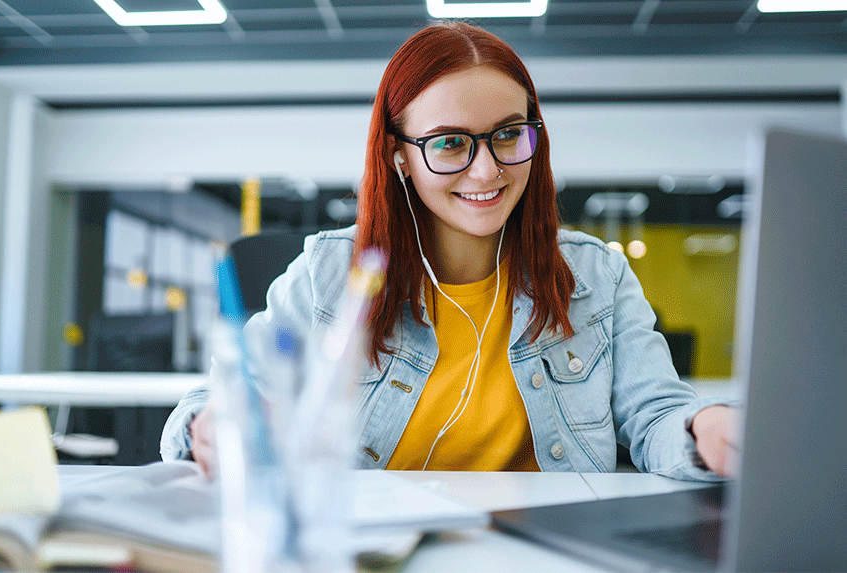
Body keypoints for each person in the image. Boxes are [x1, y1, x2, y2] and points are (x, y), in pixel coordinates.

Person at [161, 21, 737, 480]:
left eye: (510, 134)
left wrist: (705, 425)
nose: (487, 169)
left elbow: (656, 413)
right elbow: (212, 404)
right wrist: (213, 426)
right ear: (399, 155)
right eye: (451, 143)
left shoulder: (597, 274)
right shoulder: (328, 274)